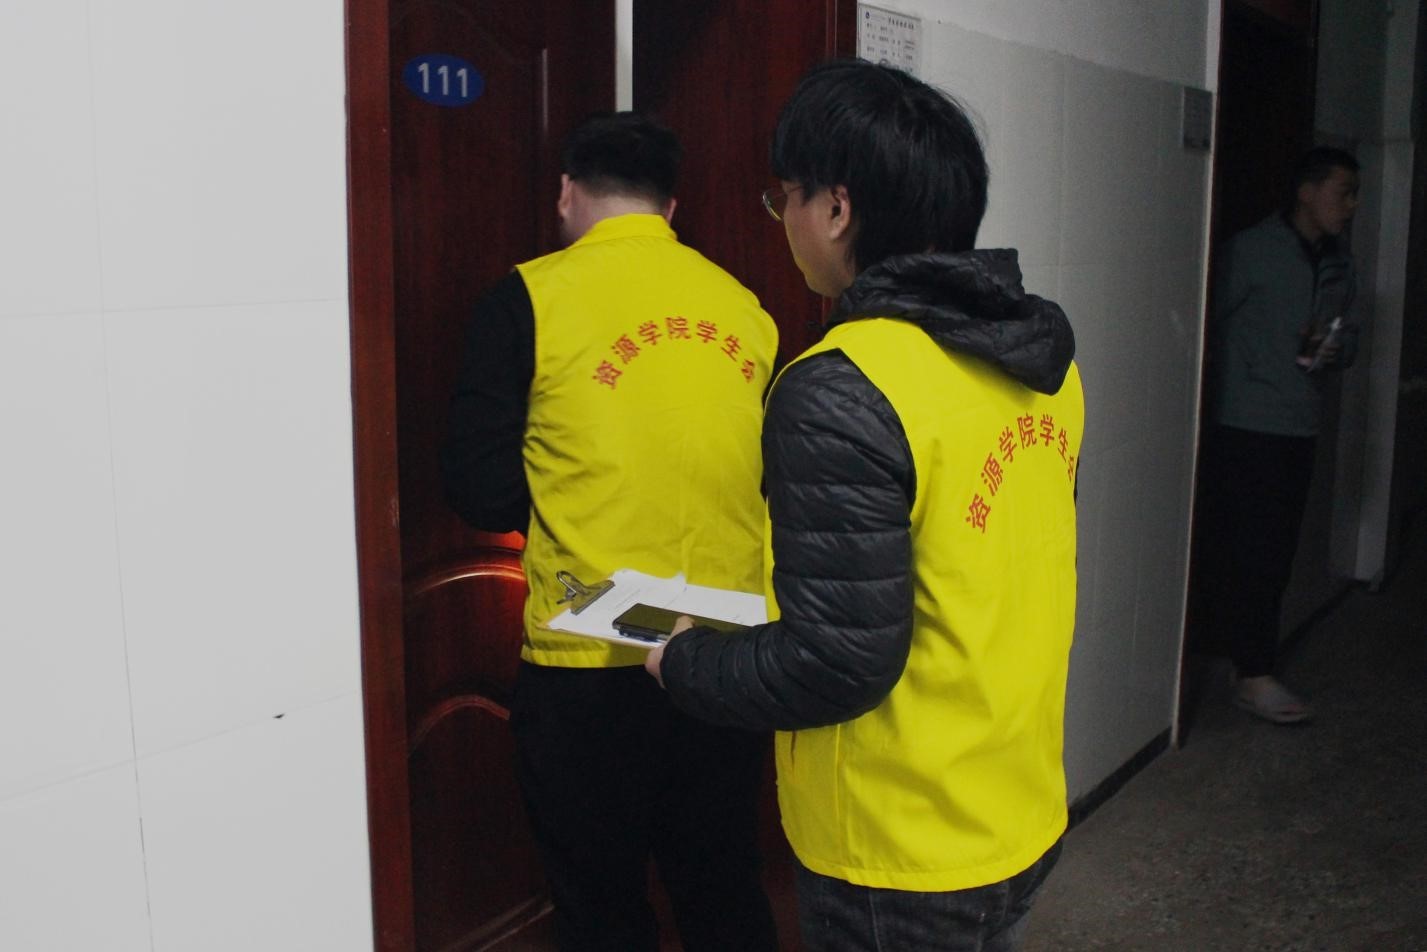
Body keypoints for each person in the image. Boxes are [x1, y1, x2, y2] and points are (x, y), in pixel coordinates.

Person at [644, 60, 1084, 952]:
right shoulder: (1043, 365)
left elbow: (836, 664)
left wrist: (681, 661)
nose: (784, 222)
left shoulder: (843, 385)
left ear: (837, 209)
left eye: (785, 198)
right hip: (1017, 805)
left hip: (898, 847)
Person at [441, 112, 780, 952]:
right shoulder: (744, 307)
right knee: (723, 891)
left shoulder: (528, 298)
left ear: (566, 192)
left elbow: (480, 489)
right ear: (670, 208)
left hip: (591, 653)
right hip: (728, 654)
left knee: (601, 911)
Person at [1194, 146, 1361, 724]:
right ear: (1306, 192)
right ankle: (1253, 672)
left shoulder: (1339, 263)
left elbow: (1349, 337)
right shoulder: (1252, 250)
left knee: (1276, 549)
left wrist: (1334, 348)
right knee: (1248, 549)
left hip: (1299, 423)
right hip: (1244, 423)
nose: (1350, 205)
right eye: (1342, 192)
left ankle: (1244, 662)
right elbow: (1203, 321)